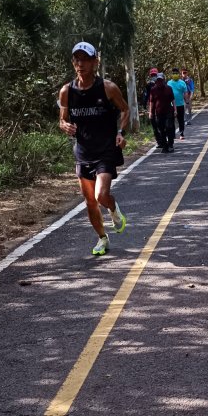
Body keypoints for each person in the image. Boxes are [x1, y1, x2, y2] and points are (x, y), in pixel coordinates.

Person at [59, 41, 129, 257]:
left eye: (85, 60)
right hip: (83, 152)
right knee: (90, 201)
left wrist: (120, 132)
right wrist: (65, 126)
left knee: (101, 195)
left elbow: (125, 110)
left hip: (106, 150)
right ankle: (102, 238)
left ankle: (113, 209)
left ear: (95, 62)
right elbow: (62, 119)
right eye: (77, 60)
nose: (80, 64)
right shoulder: (67, 91)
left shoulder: (107, 88)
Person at [148, 72, 175, 153]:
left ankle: (170, 144)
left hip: (168, 111)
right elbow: (151, 102)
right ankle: (164, 146)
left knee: (169, 127)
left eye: (161, 80)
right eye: (158, 80)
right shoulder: (153, 90)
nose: (159, 82)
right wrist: (151, 112)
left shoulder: (169, 88)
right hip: (159, 113)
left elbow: (173, 100)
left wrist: (175, 109)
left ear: (164, 80)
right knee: (161, 129)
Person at [167, 67, 189, 140]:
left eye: (176, 73)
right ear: (172, 74)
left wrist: (186, 101)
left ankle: (181, 133)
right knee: (171, 120)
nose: (175, 75)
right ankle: (173, 134)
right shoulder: (169, 83)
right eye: (174, 73)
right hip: (171, 105)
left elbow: (185, 93)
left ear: (179, 74)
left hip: (180, 104)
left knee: (181, 120)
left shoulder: (182, 83)